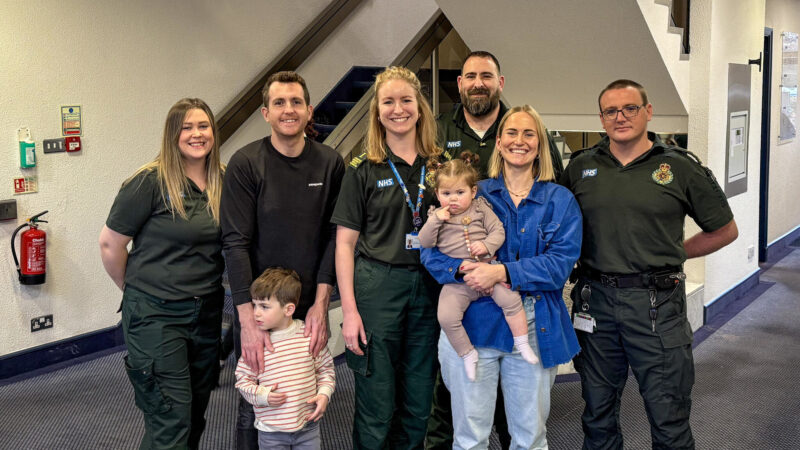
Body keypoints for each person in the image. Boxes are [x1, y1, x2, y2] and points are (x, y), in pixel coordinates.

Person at [560, 79, 739, 449]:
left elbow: (724, 230)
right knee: (597, 415)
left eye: (630, 108)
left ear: (648, 112)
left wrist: (676, 252)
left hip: (657, 307)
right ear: (601, 118)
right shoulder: (580, 167)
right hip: (596, 303)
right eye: (611, 111)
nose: (620, 117)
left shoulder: (679, 167)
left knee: (668, 415)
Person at [422, 105, 582, 449]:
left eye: (529, 134)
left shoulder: (560, 200)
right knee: (469, 437)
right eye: (511, 133)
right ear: (498, 141)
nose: (519, 141)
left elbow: (559, 266)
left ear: (540, 145)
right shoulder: (472, 192)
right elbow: (428, 250)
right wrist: (460, 270)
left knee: (529, 437)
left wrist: (502, 271)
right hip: (473, 322)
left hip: (534, 323)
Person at [220, 71, 345, 449]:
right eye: (279, 103)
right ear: (265, 112)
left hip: (308, 305)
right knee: (255, 400)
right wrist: (247, 319)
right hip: (261, 310)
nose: (288, 110)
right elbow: (235, 242)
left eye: (295, 102)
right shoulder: (246, 164)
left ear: (309, 111)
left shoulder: (330, 163)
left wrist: (322, 304)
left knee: (307, 389)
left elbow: (333, 237)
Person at [99, 98, 225, 449]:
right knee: (171, 419)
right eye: (187, 127)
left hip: (206, 314)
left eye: (203, 126)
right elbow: (110, 245)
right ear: (172, 134)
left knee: (195, 414)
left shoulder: (223, 180)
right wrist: (136, 290)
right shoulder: (148, 182)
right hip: (156, 315)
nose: (196, 134)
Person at [332, 66, 442, 449]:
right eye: (388, 102)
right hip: (379, 288)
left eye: (406, 100)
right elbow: (344, 244)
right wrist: (349, 312)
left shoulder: (440, 165)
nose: (399, 109)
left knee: (417, 403)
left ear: (420, 107)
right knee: (377, 403)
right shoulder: (362, 170)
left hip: (429, 289)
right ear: (377, 112)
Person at [418, 152, 538, 382]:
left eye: (460, 192)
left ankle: (523, 344)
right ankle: (467, 353)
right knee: (446, 316)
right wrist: (435, 221)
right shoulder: (436, 216)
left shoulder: (480, 208)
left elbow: (498, 231)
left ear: (473, 192)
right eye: (446, 193)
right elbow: (425, 243)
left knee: (512, 302)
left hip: (489, 270)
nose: (453, 199)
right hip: (458, 282)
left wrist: (486, 244)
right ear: (437, 194)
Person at [234, 267, 335, 450]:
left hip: (308, 427)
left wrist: (324, 394)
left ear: (288, 309)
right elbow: (242, 380)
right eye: (254, 304)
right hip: (270, 431)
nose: (255, 312)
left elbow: (326, 369)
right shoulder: (257, 344)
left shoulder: (308, 336)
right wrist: (262, 396)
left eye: (264, 306)